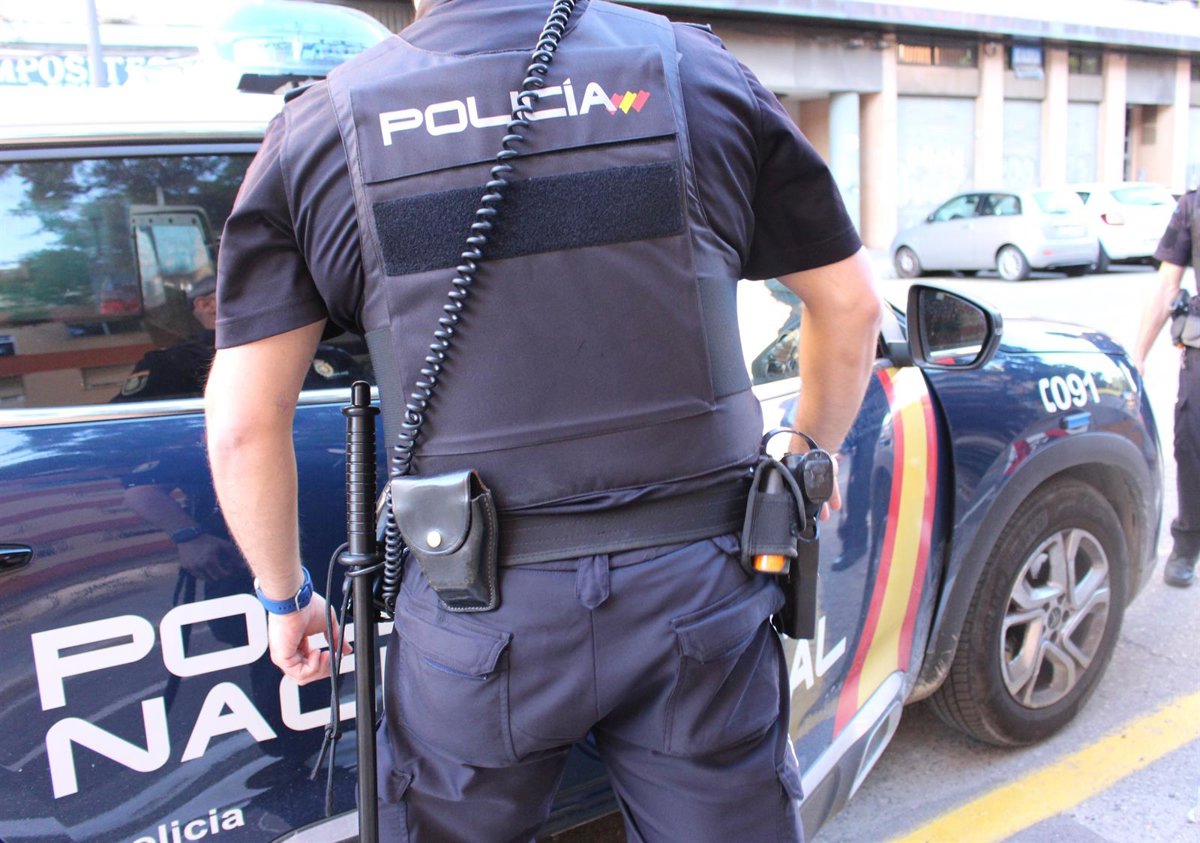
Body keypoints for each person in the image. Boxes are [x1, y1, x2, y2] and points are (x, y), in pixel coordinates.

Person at [204, 1, 882, 840]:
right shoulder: (695, 72)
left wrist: (288, 596)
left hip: (474, 613)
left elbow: (243, 421)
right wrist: (808, 452)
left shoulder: (322, 127)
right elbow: (852, 305)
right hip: (698, 595)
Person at [1133, 185, 1200, 589]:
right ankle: (1187, 544)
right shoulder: (1193, 205)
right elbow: (1166, 286)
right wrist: (1139, 354)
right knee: (1191, 445)